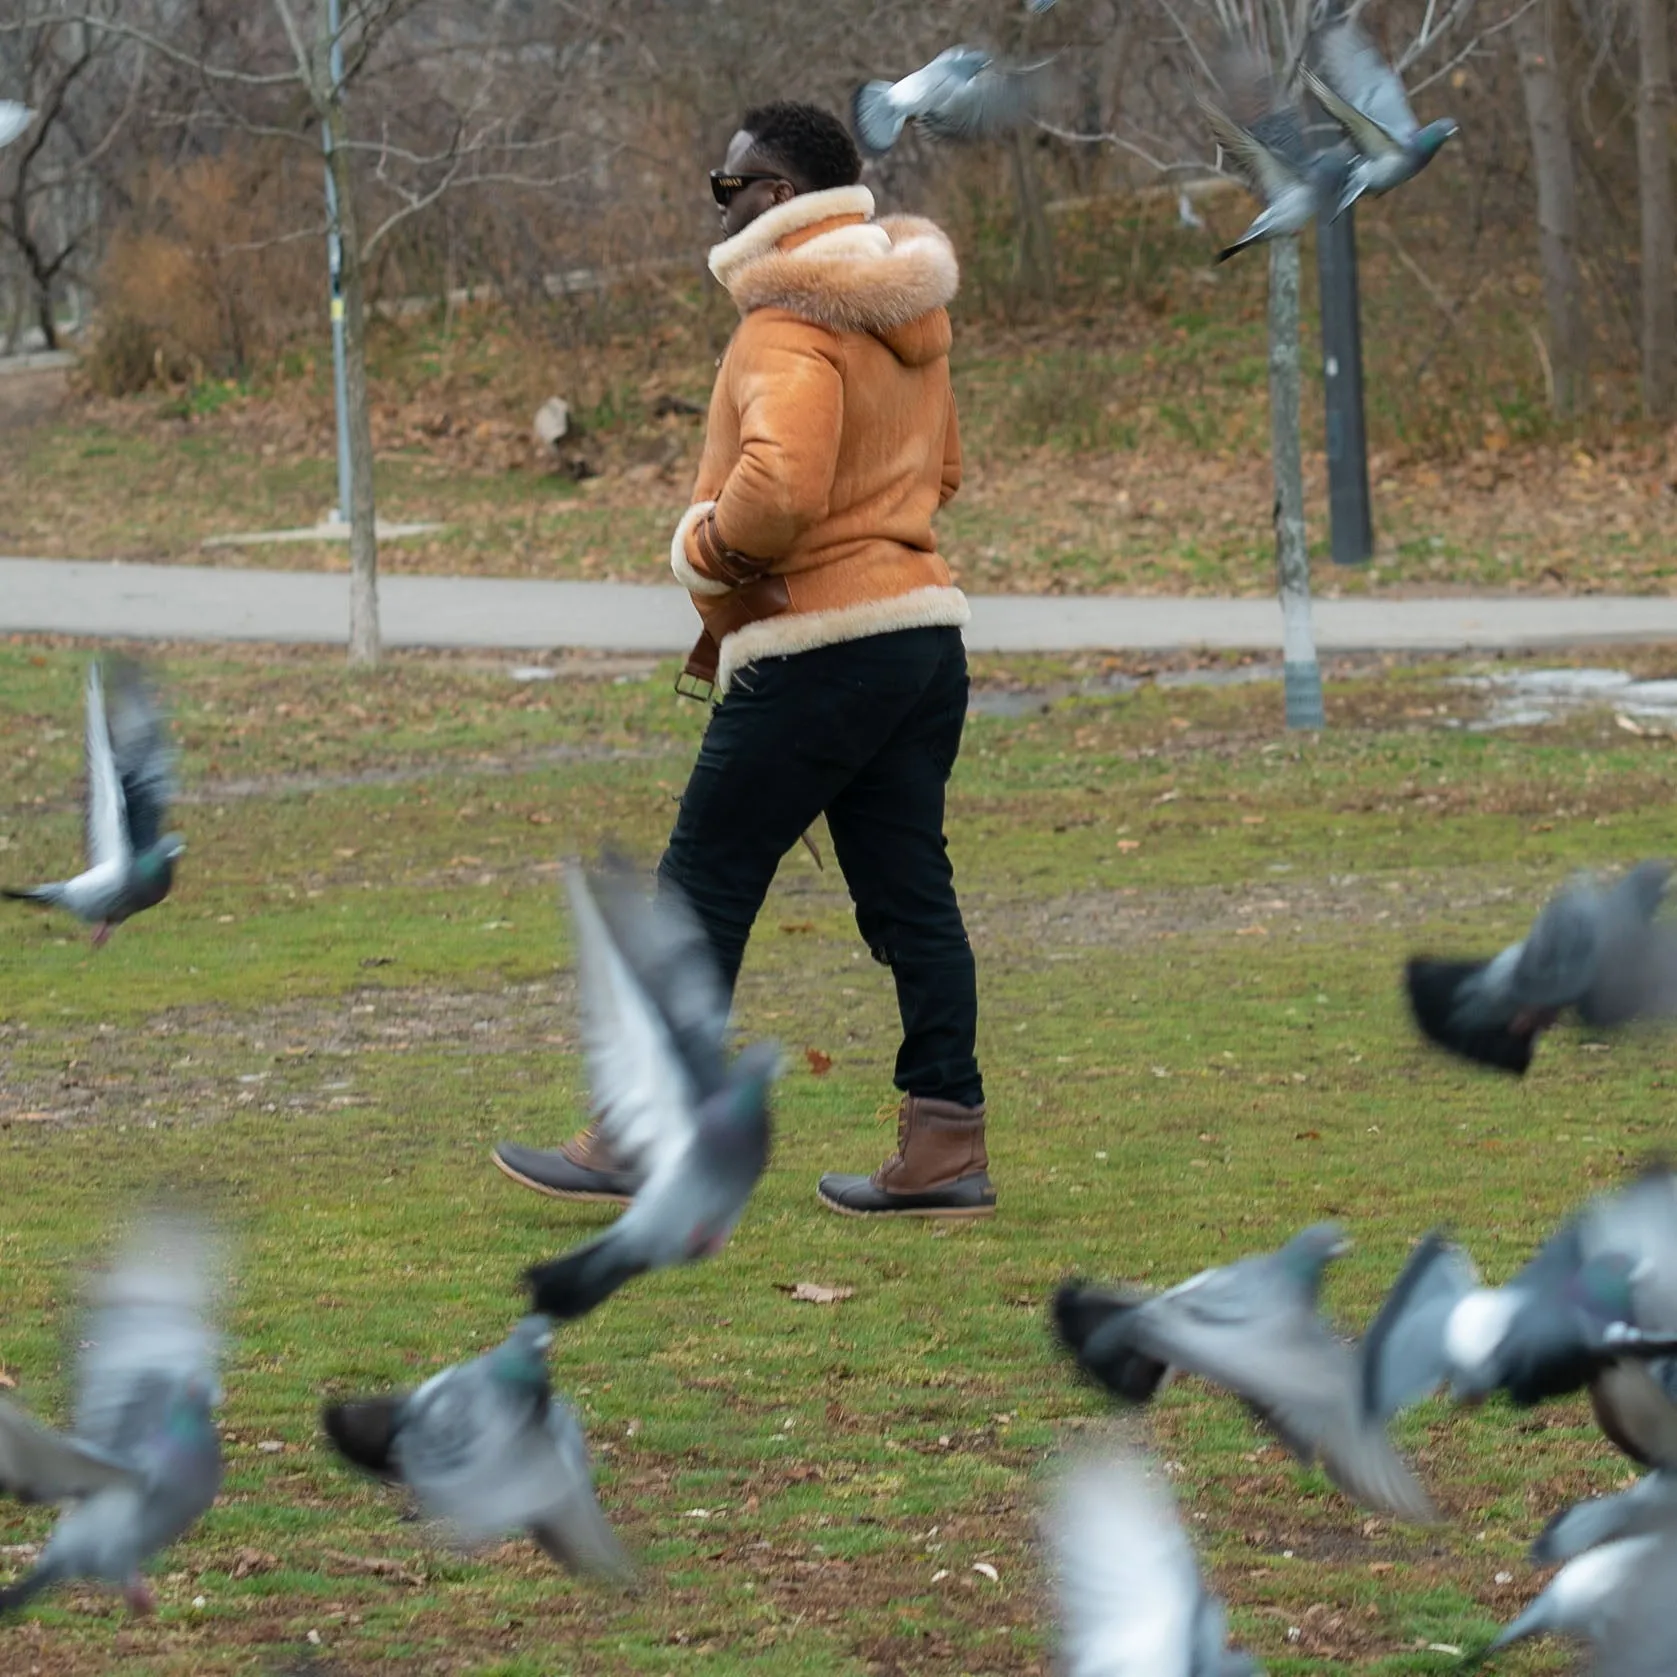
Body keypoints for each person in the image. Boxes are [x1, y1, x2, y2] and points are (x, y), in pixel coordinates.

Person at [493, 101, 993, 1219]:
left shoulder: (784, 322)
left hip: (815, 645)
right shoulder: (914, 315)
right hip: (920, 635)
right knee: (913, 896)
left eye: (730, 187)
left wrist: (704, 546)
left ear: (776, 195)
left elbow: (777, 492)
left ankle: (640, 1132)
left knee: (701, 890)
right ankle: (945, 1143)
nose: (719, 204)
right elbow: (945, 472)